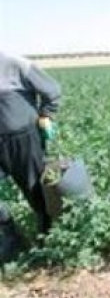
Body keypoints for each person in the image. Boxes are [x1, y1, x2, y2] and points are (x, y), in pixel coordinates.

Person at [0, 51, 61, 263]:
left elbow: (52, 89)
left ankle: (48, 238)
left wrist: (46, 114)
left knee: (35, 188)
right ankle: (10, 234)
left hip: (23, 138)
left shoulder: (13, 63)